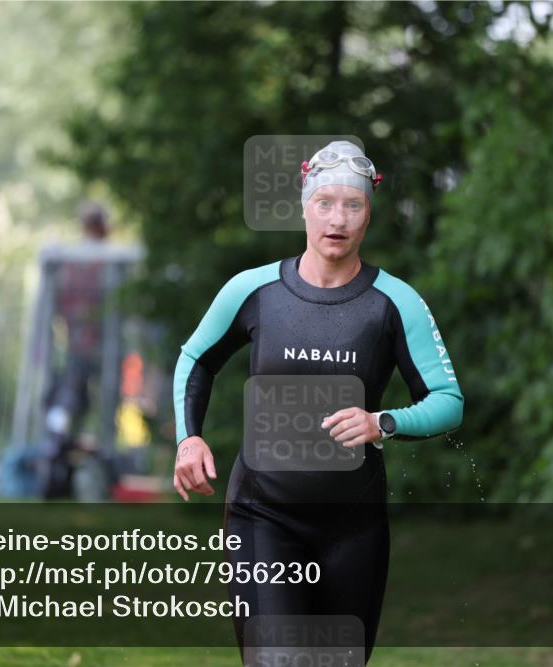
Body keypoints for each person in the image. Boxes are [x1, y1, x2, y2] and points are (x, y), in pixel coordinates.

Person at [171, 140, 464, 663]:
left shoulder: (395, 302)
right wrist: (188, 439)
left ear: (369, 214)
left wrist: (383, 421)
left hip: (352, 528)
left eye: (353, 205)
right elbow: (196, 359)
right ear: (304, 206)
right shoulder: (254, 290)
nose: (338, 218)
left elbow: (447, 400)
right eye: (325, 203)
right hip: (263, 517)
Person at [39, 201, 112, 499]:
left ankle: (77, 453)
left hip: (98, 349)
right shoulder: (80, 261)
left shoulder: (106, 260)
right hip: (80, 348)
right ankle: (57, 448)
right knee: (70, 399)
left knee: (90, 402)